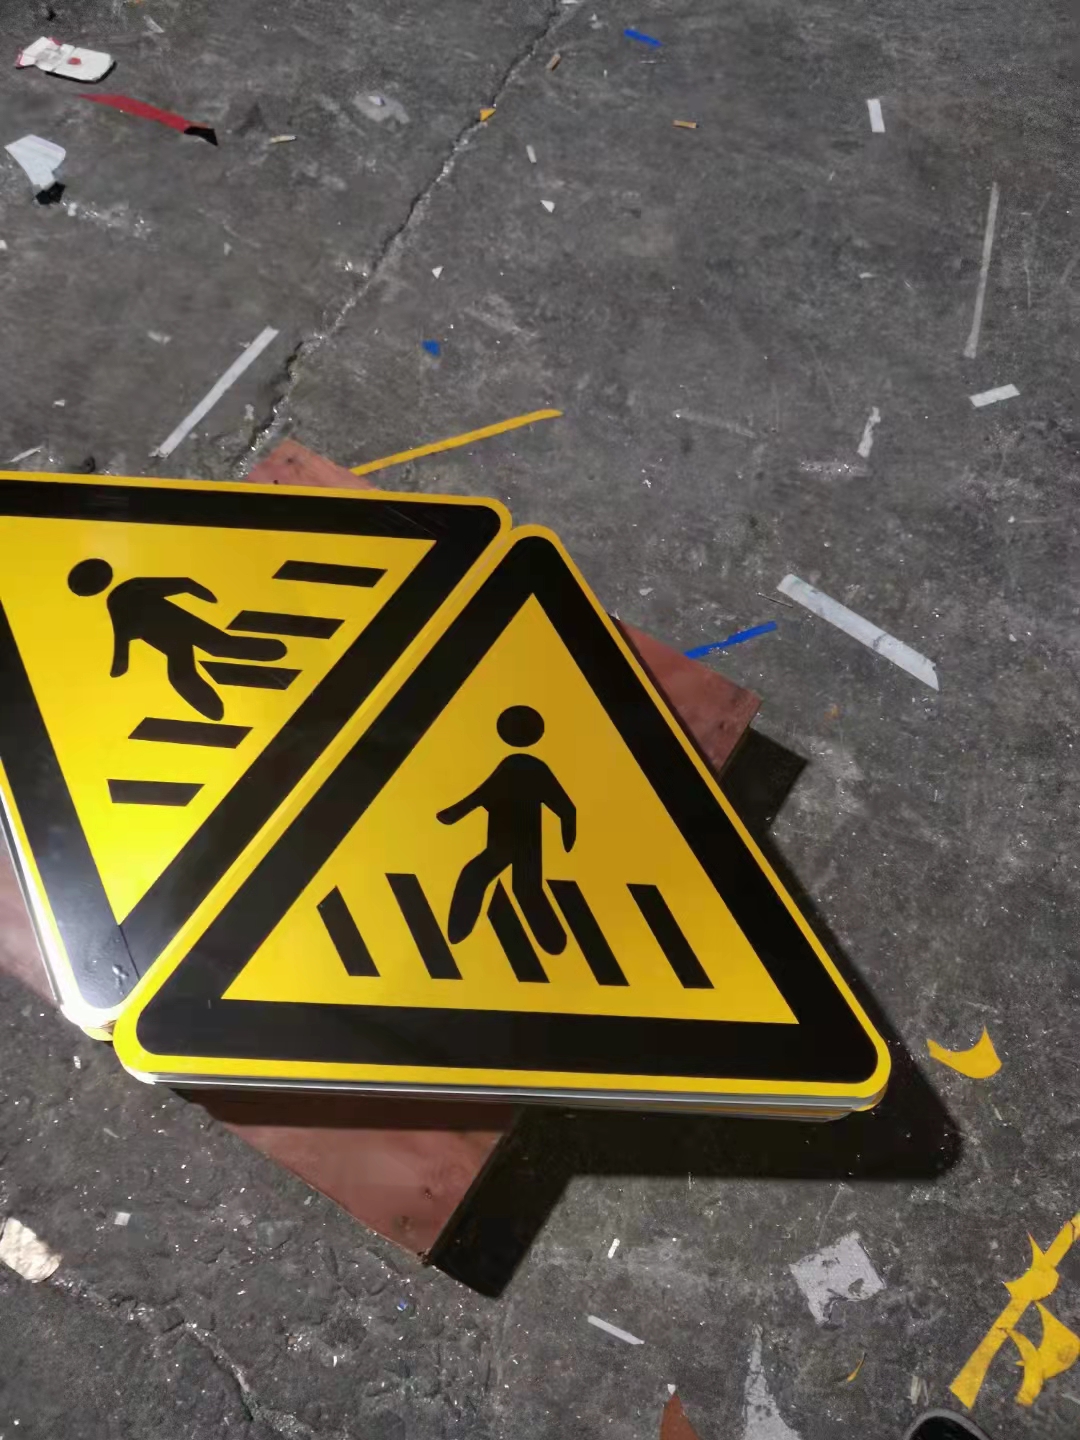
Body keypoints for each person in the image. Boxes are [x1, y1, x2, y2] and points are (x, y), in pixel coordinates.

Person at [68, 558, 287, 721]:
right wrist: (121, 660)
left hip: (177, 630)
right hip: (172, 635)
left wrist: (121, 662)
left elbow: (182, 584)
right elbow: (123, 633)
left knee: (215, 650)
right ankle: (214, 707)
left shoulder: (126, 593)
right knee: (190, 667)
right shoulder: (123, 596)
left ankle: (271, 650)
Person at [437, 705, 576, 953]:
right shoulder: (523, 767)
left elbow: (480, 796)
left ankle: (554, 942)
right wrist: (567, 828)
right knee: (520, 888)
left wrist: (454, 814)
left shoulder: (522, 767)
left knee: (493, 880)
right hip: (516, 844)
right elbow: (564, 806)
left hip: (512, 844)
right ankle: (554, 942)